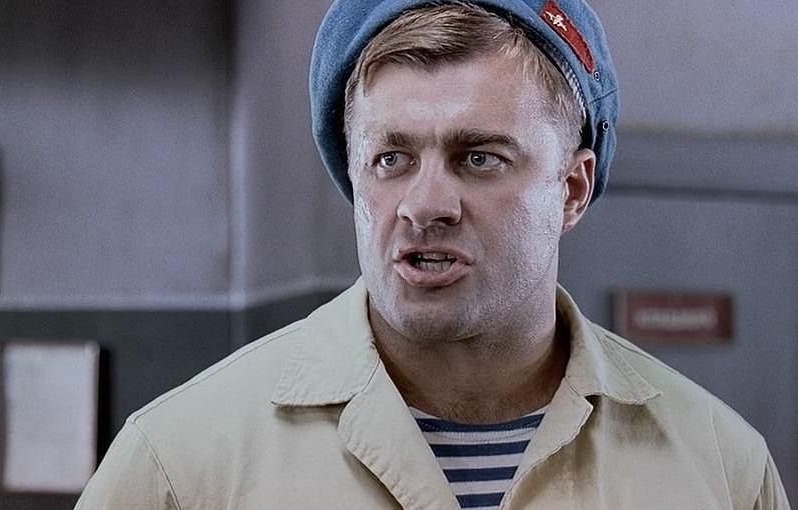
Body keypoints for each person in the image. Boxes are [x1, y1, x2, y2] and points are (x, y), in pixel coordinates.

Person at [76, 1, 792, 508]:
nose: (424, 205)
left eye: (478, 157)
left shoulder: (717, 467)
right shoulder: (179, 465)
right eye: (391, 159)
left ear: (571, 189)